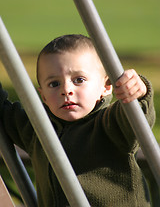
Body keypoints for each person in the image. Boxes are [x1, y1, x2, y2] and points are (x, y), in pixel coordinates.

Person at [0, 34, 155, 207]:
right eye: (54, 84)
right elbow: (4, 111)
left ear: (106, 87)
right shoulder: (37, 128)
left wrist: (137, 93)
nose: (66, 90)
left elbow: (135, 119)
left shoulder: (109, 123)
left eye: (79, 80)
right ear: (42, 95)